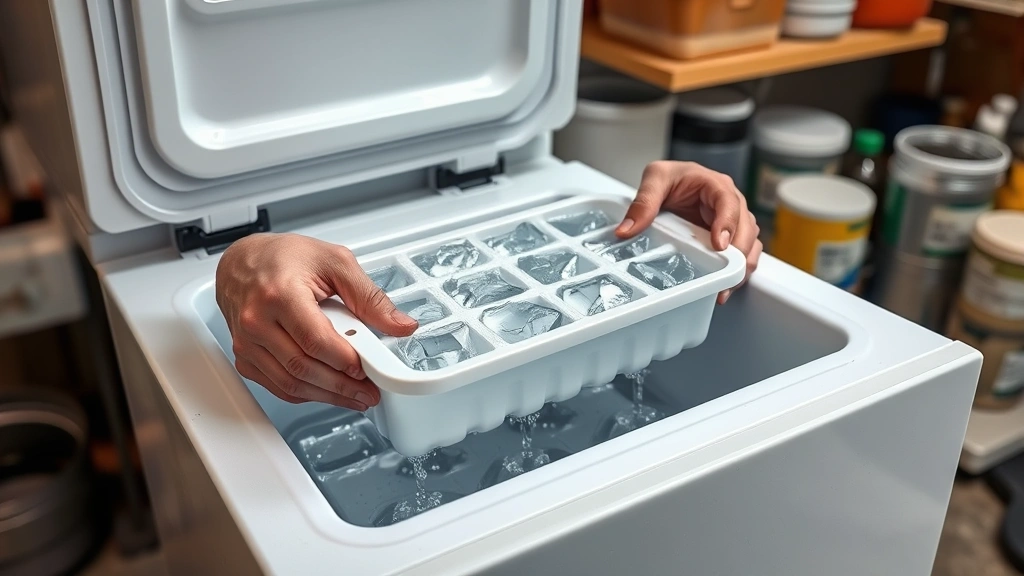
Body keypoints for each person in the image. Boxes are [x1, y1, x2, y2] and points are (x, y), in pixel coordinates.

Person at [216, 161, 763, 411]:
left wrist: (674, 218)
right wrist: (239, 257)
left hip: (493, 169)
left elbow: (616, 232)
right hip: (255, 227)